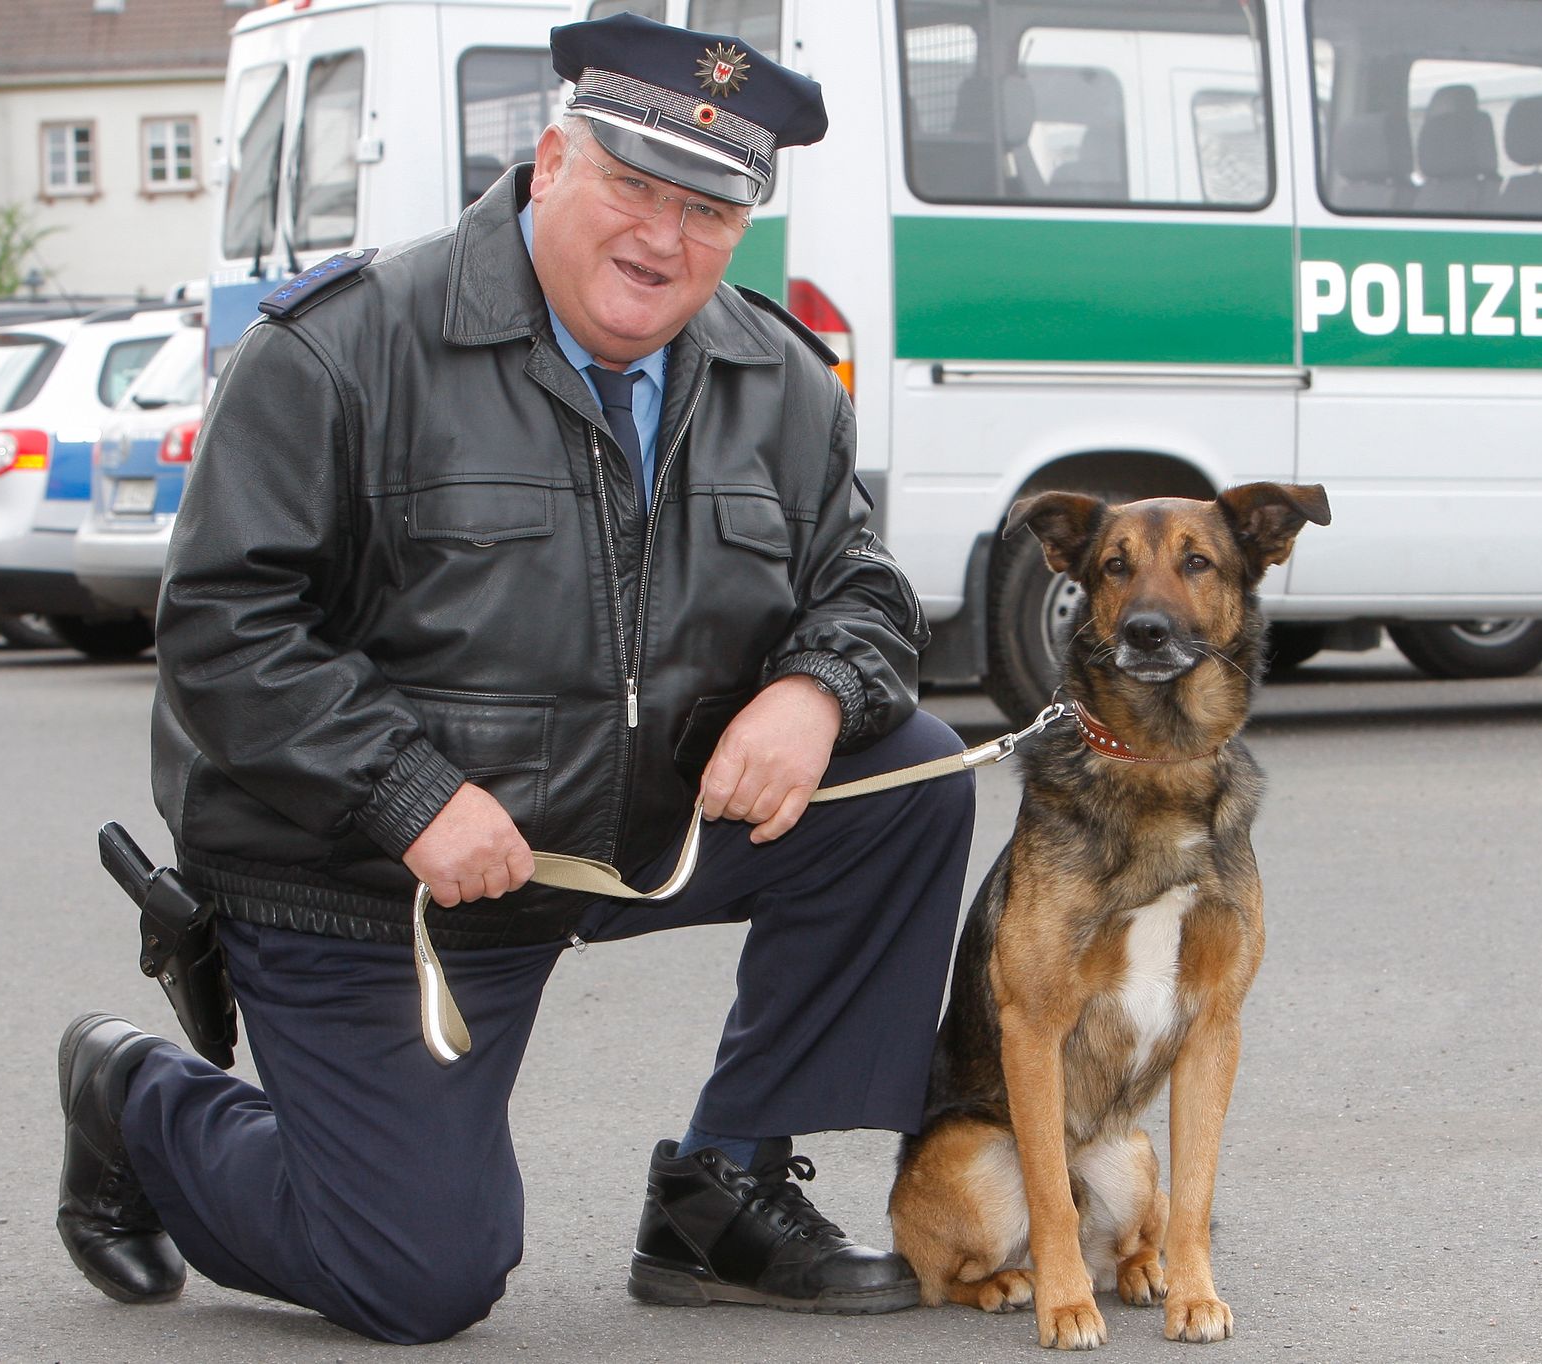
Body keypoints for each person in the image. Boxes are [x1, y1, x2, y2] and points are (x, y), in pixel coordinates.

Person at [54, 13, 974, 1344]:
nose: (665, 239)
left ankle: (725, 1184)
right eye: (636, 186)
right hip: (372, 881)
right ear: (551, 162)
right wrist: (408, 791)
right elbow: (224, 627)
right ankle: (139, 1104)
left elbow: (865, 588)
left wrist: (815, 690)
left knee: (908, 779)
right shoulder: (341, 349)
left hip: (620, 835)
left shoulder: (778, 379)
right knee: (420, 1278)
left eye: (711, 209)